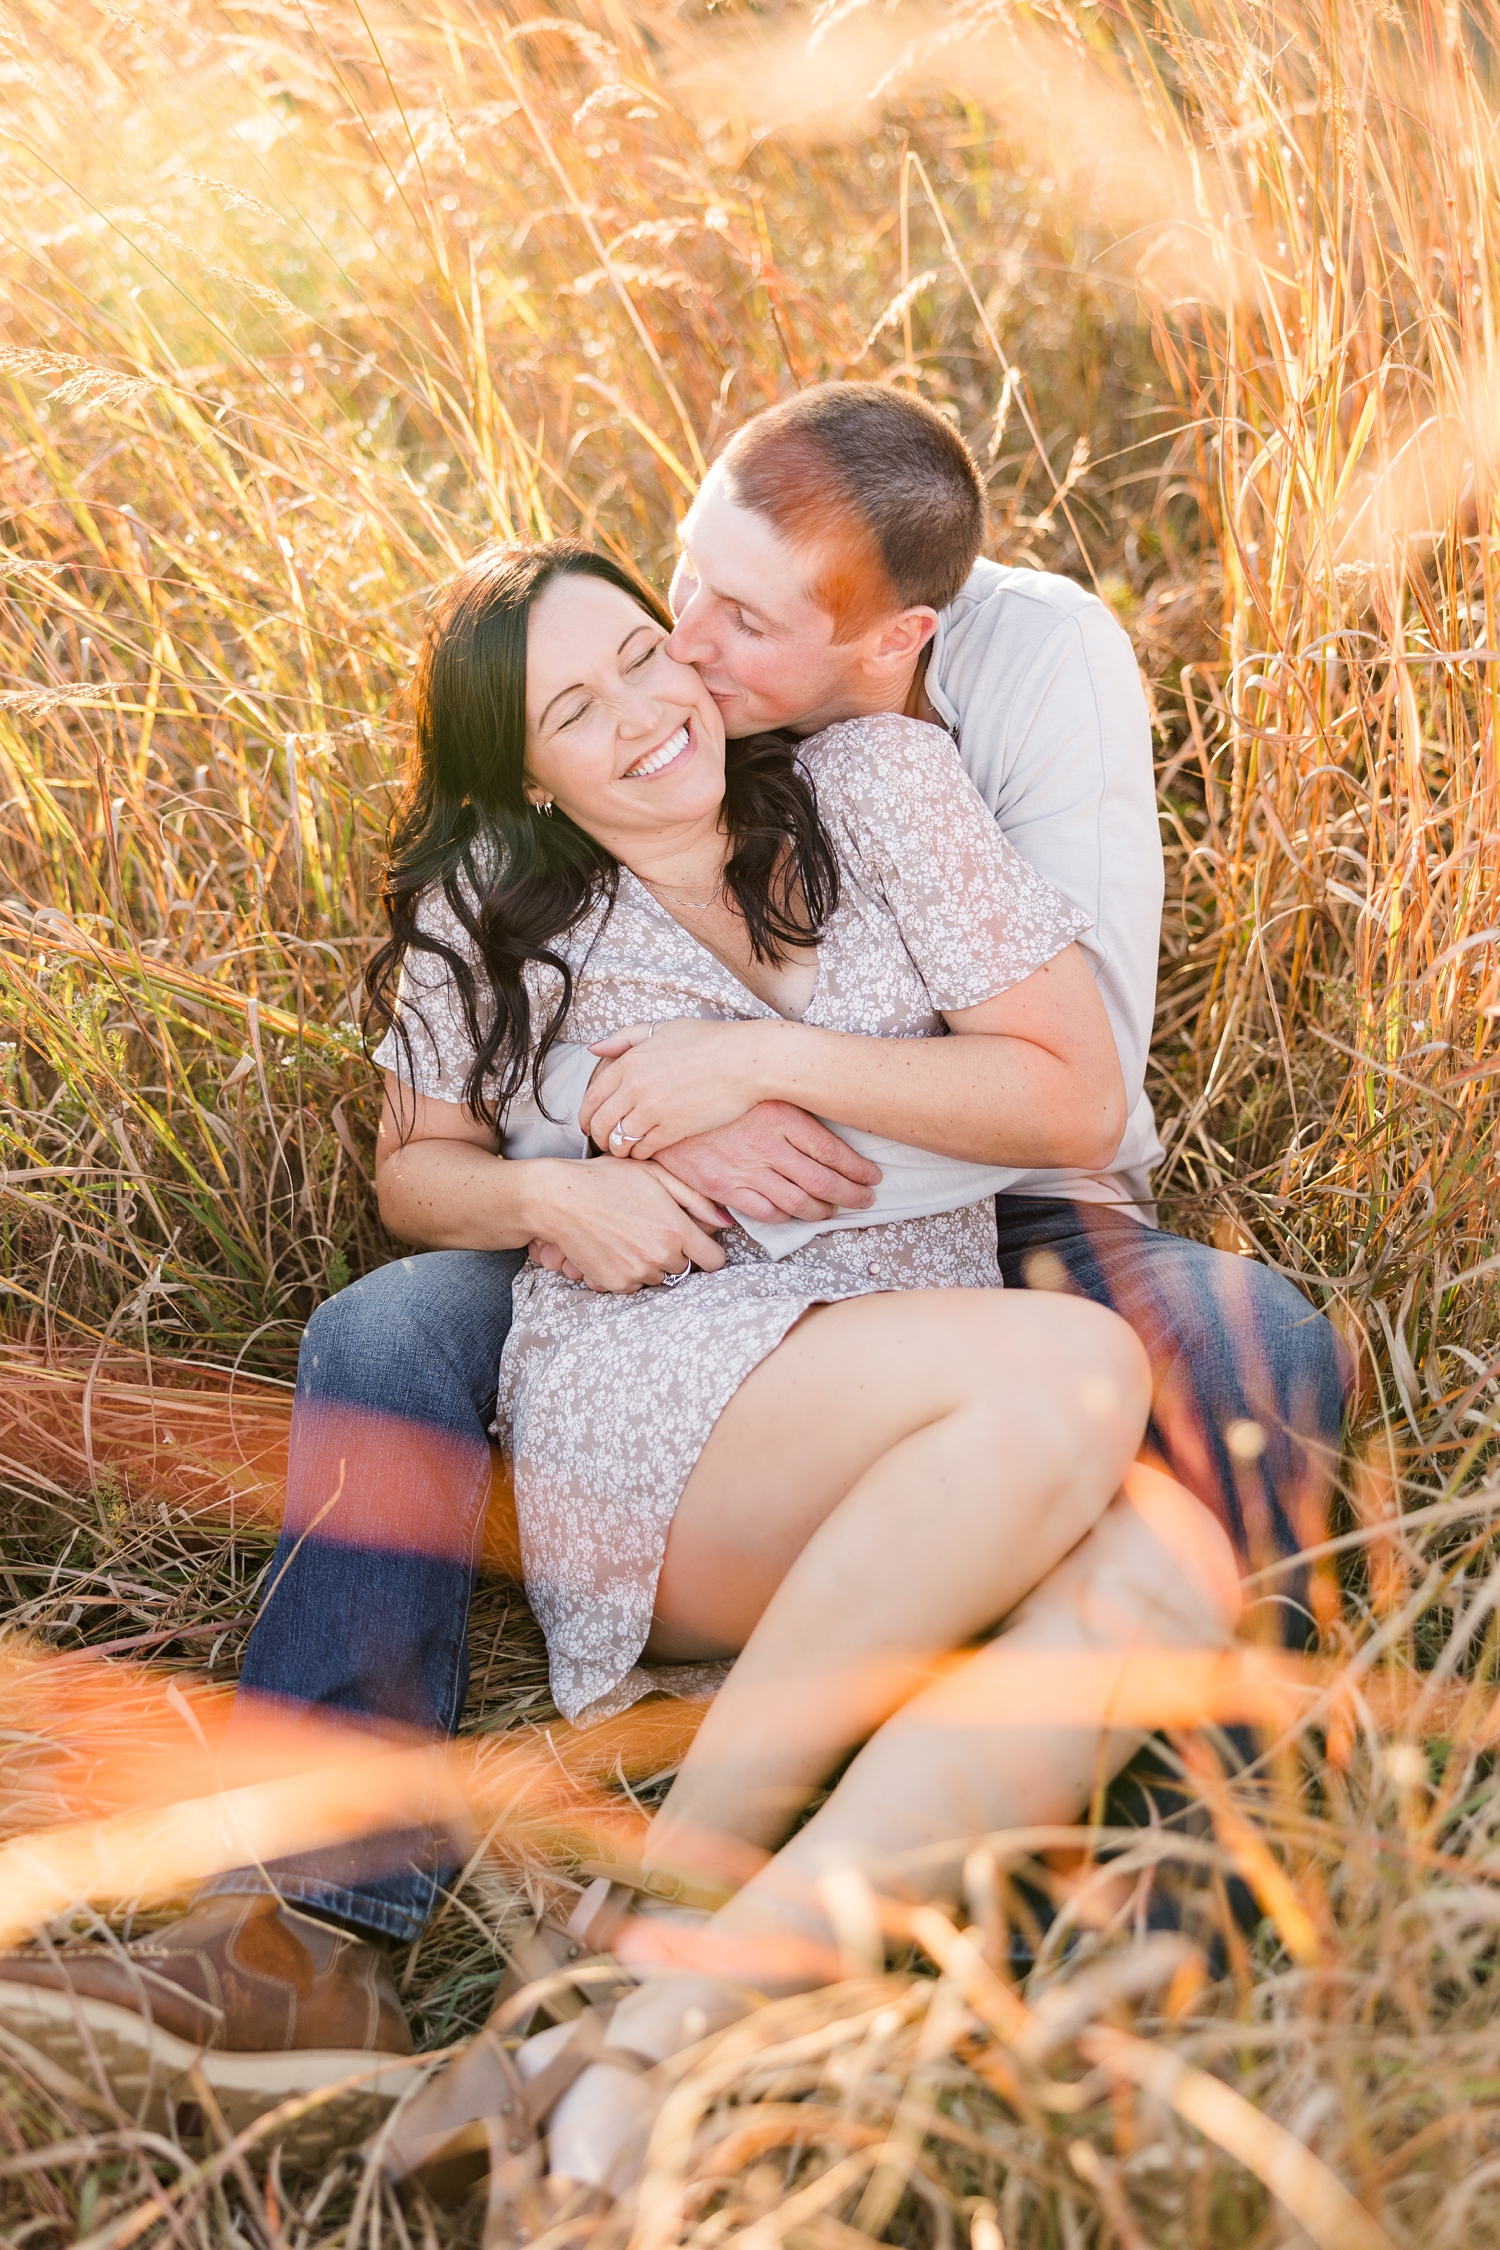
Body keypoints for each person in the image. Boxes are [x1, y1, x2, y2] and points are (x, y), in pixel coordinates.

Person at [0, 386, 1344, 2124]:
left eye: (660, 649)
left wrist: (758, 1062)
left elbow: (1079, 1091)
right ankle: (493, 1911)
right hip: (672, 1399)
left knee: (1172, 1535)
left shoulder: (898, 768)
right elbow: (424, 1174)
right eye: (587, 696)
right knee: (1056, 1370)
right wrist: (564, 1190)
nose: (664, 690)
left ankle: (644, 2041)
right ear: (530, 766)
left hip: (922, 1385)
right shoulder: (498, 899)